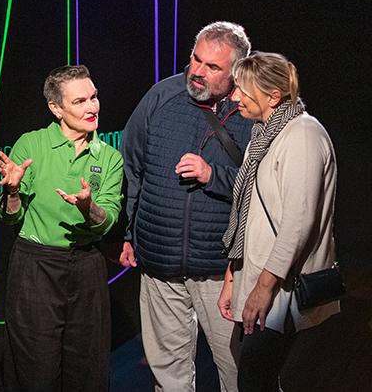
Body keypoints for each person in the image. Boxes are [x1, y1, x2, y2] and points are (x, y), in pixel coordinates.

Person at [119, 21, 253, 392]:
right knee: (169, 373)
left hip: (220, 269)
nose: (197, 72)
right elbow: (131, 166)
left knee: (237, 370)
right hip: (159, 262)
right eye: (196, 59)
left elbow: (263, 187)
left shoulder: (250, 111)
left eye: (212, 67)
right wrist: (129, 232)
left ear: (236, 73)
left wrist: (214, 175)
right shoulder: (161, 96)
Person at [0, 64, 123, 392]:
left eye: (93, 97)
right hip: (36, 267)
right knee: (36, 369)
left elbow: (106, 221)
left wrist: (87, 207)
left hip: (86, 267)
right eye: (80, 101)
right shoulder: (31, 145)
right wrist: (11, 192)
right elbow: (10, 217)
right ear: (56, 108)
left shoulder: (109, 157)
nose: (92, 107)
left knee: (88, 368)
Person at [218, 52, 340, 391]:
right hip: (259, 280)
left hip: (279, 292)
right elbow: (250, 215)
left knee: (258, 381)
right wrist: (233, 277)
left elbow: (296, 226)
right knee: (257, 380)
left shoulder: (302, 136)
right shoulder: (264, 135)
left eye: (243, 90)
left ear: (274, 96)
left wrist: (261, 290)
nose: (234, 97)